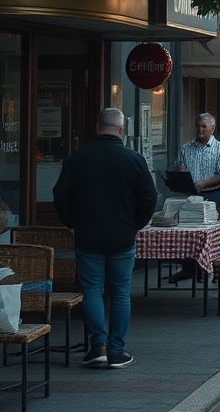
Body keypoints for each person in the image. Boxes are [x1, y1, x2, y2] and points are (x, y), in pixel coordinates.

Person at [52, 108, 157, 370]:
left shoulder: (79, 158)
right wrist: (136, 224)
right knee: (121, 293)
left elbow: (60, 195)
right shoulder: (134, 159)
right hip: (122, 237)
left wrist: (72, 223)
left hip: (88, 236)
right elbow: (149, 198)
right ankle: (117, 350)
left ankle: (97, 345)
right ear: (121, 129)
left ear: (98, 126)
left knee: (92, 292)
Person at [169, 112, 220, 283]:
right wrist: (179, 172)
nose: (200, 129)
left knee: (207, 233)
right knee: (187, 232)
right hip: (190, 195)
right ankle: (189, 268)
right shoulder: (186, 148)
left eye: (204, 126)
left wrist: (204, 183)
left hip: (213, 194)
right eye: (198, 126)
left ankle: (210, 267)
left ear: (212, 128)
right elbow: (178, 166)